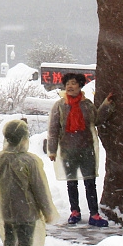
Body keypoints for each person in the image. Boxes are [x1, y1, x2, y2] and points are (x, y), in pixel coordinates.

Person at [0, 119, 58, 246]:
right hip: (27, 211)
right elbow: (39, 189)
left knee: (10, 242)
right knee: (25, 244)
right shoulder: (30, 161)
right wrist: (47, 211)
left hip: (7, 210)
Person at [47, 73, 114, 227]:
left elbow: (96, 119)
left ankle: (94, 214)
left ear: (80, 86)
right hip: (67, 150)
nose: (70, 87)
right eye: (67, 84)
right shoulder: (59, 105)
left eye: (73, 83)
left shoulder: (87, 104)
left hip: (86, 149)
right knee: (72, 183)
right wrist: (51, 150)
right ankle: (74, 211)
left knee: (90, 182)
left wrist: (106, 104)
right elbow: (53, 128)